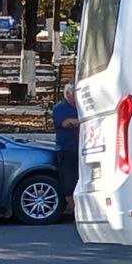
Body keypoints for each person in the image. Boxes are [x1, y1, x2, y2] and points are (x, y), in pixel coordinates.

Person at [52, 83, 81, 213]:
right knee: (69, 179)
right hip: (66, 149)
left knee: (79, 178)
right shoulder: (60, 108)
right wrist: (83, 121)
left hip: (80, 148)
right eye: (76, 93)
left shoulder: (81, 108)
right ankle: (72, 208)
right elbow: (66, 123)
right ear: (68, 94)